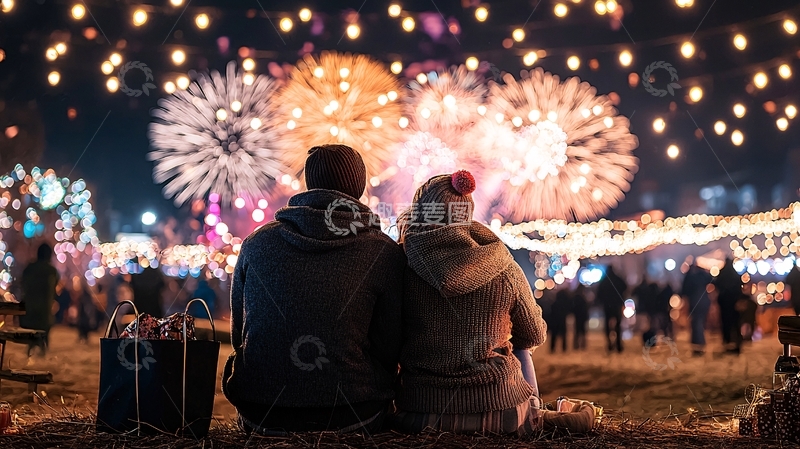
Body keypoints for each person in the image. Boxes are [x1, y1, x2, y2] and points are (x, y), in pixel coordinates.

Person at [391, 171, 595, 435]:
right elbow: (534, 333)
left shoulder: (401, 264)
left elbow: (388, 337)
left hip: (420, 414)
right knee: (522, 346)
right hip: (503, 411)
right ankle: (535, 414)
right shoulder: (502, 264)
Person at [222, 144, 407, 435]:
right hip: (354, 414)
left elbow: (239, 335)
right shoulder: (383, 252)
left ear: (309, 183)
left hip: (261, 414)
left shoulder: (256, 244)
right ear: (358, 187)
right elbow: (389, 348)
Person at [19, 243, 60, 356]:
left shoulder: (29, 269)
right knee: (43, 338)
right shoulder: (51, 271)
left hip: (29, 310)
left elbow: (22, 284)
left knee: (31, 339)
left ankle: (30, 354)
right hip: (44, 311)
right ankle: (42, 355)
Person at [681, 263, 712, 356]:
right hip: (704, 301)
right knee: (699, 323)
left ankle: (698, 345)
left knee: (696, 323)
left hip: (695, 301)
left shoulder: (690, 277)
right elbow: (711, 278)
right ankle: (699, 344)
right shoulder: (702, 276)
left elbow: (684, 290)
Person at [714, 258, 742, 354]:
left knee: (726, 323)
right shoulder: (735, 275)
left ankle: (727, 341)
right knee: (735, 324)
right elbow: (739, 287)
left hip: (724, 303)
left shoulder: (722, 274)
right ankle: (736, 342)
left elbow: (717, 284)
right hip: (734, 303)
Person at [596, 265, 627, 353]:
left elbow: (599, 293)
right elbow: (624, 287)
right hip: (616, 305)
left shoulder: (604, 281)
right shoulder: (618, 279)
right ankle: (618, 344)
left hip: (607, 306)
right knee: (618, 325)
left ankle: (609, 343)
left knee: (607, 326)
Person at [572, 284, 589, 350]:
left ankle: (577, 345)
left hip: (578, 316)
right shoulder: (582, 297)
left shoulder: (576, 297)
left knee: (578, 331)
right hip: (581, 316)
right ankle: (581, 344)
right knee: (581, 331)